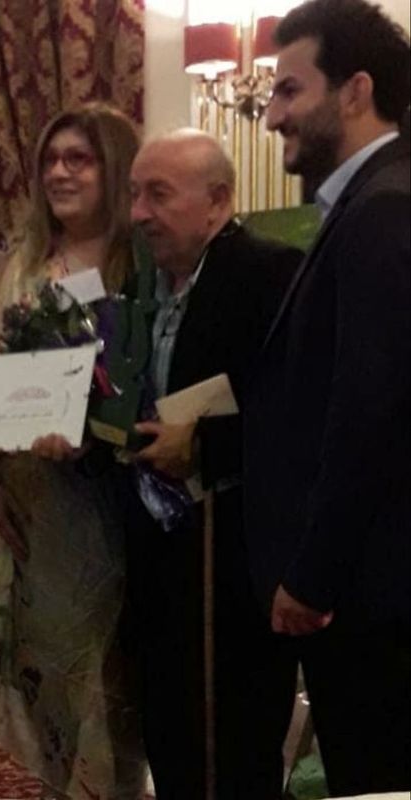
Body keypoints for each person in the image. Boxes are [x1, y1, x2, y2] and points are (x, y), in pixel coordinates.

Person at [244, 0, 410, 793]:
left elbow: (369, 414)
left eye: (289, 90)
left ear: (355, 91)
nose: (272, 115)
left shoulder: (384, 209)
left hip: (372, 597)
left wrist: (312, 576)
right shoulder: (371, 200)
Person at [0, 103, 147, 799]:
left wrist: (97, 428)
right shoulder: (20, 262)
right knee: (36, 671)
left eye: (79, 159)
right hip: (28, 498)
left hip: (111, 498)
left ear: (116, 169)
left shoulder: (139, 262)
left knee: (111, 676)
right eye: (50, 159)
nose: (59, 172)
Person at [125, 129, 302, 799]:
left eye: (158, 195)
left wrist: (205, 445)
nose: (138, 213)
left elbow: (295, 415)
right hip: (155, 565)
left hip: (231, 564)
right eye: (134, 195)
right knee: (169, 742)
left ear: (218, 201)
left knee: (235, 755)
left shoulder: (269, 273)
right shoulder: (136, 289)